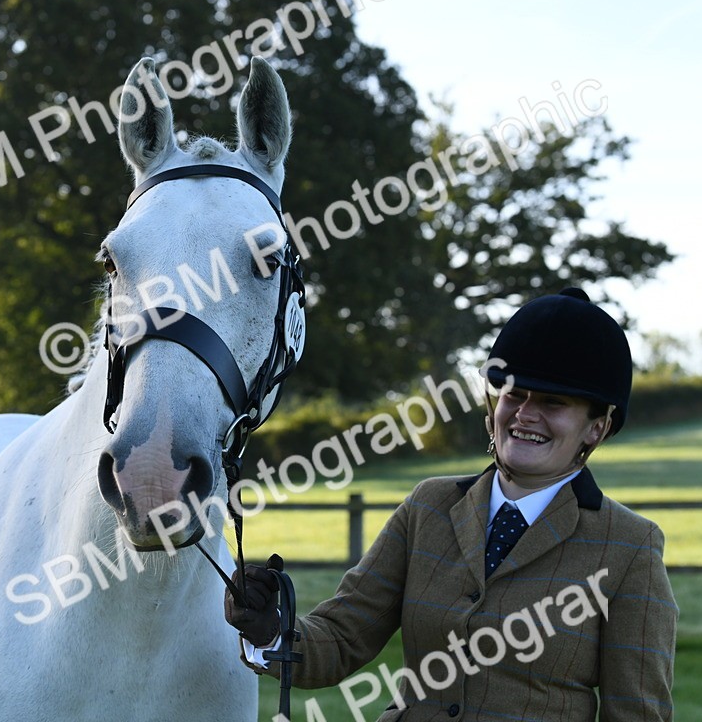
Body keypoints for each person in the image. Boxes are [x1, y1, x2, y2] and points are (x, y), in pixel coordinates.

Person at [225, 287, 677, 721]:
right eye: (514, 394)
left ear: (597, 427)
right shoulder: (429, 507)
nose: (524, 414)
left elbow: (637, 714)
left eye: (553, 403)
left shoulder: (629, 548)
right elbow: (342, 638)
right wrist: (270, 628)